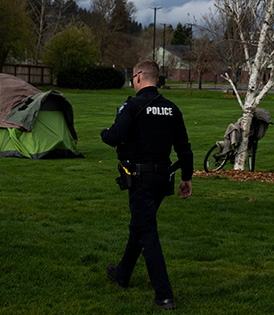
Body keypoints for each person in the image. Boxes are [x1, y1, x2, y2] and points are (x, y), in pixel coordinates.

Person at [100, 60, 193, 310]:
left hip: (140, 179)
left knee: (147, 232)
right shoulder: (172, 109)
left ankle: (164, 294)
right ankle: (122, 274)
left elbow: (113, 137)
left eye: (132, 76)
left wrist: (103, 133)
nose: (132, 80)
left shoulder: (132, 105)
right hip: (163, 179)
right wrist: (187, 178)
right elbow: (184, 148)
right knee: (140, 227)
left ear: (139, 76)